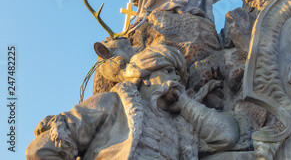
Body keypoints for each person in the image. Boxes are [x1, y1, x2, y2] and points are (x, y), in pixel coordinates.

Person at [26, 45, 240, 159]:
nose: (176, 79)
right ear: (145, 77)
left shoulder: (180, 126)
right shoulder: (112, 103)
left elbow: (227, 137)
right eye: (168, 72)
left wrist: (185, 103)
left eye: (177, 75)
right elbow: (40, 150)